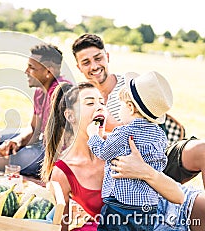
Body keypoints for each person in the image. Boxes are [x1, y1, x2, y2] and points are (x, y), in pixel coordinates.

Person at [41, 82, 204, 231]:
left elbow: (178, 195)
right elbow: (60, 226)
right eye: (90, 103)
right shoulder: (62, 172)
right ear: (70, 116)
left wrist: (145, 171)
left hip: (178, 208)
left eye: (102, 102)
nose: (100, 108)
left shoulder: (120, 141)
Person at [72, 33, 205, 188]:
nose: (94, 66)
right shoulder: (82, 97)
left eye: (98, 58)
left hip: (153, 162)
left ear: (107, 56)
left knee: (201, 150)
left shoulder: (132, 88)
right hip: (112, 171)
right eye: (86, 62)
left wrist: (112, 128)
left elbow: (154, 133)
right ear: (79, 67)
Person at [86, 71, 173, 230]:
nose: (118, 110)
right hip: (149, 207)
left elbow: (103, 152)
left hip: (120, 207)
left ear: (130, 107)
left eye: (120, 105)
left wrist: (92, 135)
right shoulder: (159, 134)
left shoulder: (124, 132)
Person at [0, 43, 72, 176]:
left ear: (48, 71)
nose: (26, 71)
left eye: (31, 67)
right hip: (43, 143)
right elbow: (34, 129)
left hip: (56, 154)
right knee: (3, 139)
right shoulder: (40, 92)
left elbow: (64, 144)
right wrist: (17, 142)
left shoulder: (62, 93)